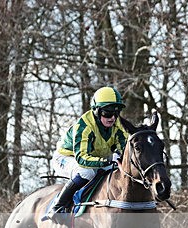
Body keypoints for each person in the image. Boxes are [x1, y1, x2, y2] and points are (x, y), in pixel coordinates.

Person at [48, 86, 128, 220]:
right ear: (97, 111)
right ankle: (57, 207)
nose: (112, 118)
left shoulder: (117, 125)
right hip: (67, 157)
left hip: (96, 158)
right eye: (107, 113)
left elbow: (124, 147)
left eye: (116, 113)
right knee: (87, 172)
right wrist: (107, 160)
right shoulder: (84, 126)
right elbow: (82, 159)